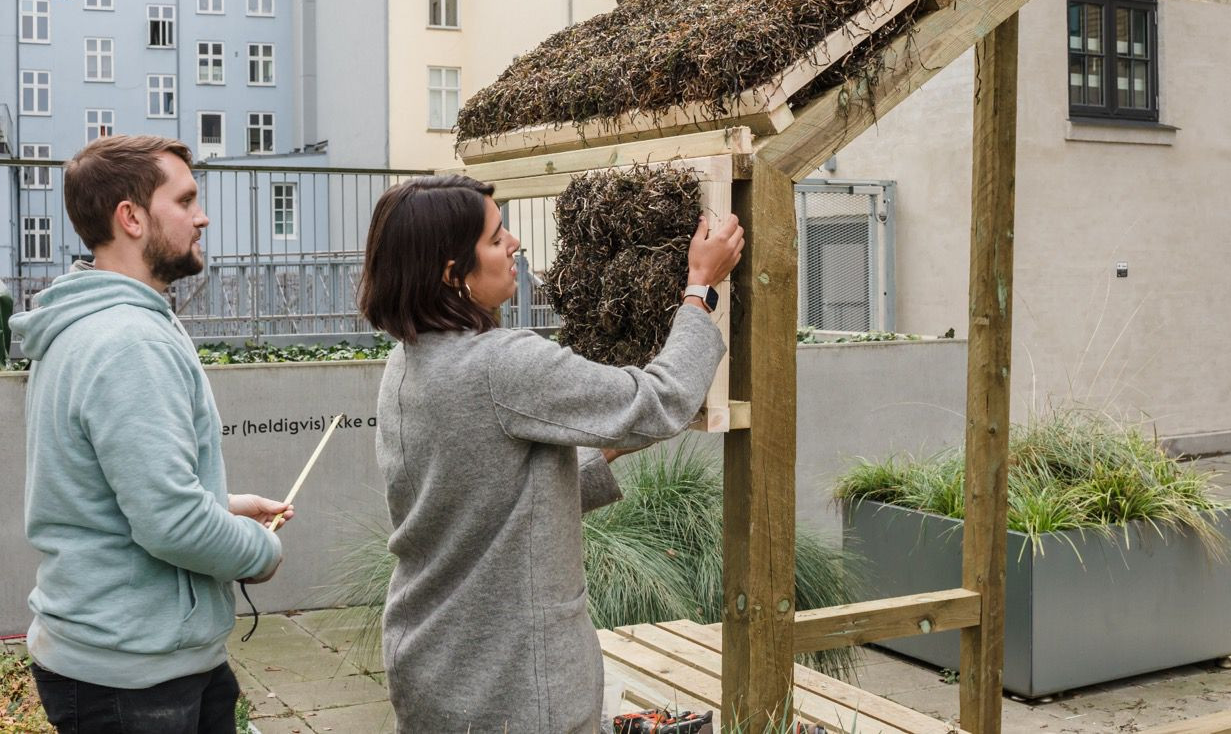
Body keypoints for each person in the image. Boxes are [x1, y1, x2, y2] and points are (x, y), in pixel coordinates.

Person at [358, 174, 743, 733]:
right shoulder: (502, 365)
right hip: (515, 688)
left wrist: (598, 442)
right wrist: (699, 288)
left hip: (433, 668)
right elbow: (660, 399)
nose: (514, 243)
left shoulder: (408, 362)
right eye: (495, 238)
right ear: (451, 272)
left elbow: (481, 496)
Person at [12, 136, 293, 734]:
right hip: (131, 675)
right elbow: (171, 523)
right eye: (186, 199)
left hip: (130, 660)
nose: (203, 215)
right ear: (132, 217)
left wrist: (222, 506)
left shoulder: (92, 325)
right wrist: (260, 554)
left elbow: (118, 495)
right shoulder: (127, 341)